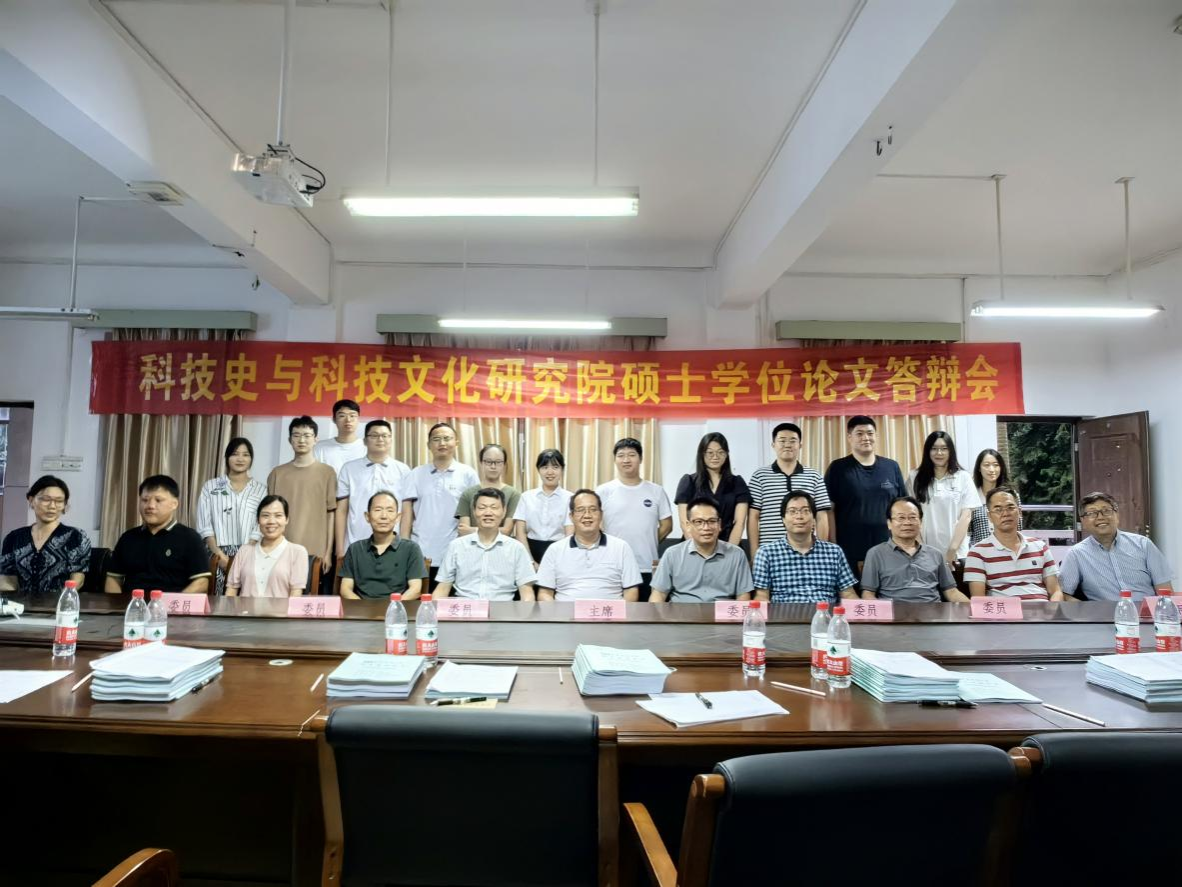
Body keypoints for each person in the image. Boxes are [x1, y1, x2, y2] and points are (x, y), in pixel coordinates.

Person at [824, 415, 906, 574]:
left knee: (889, 589)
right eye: (859, 434)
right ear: (849, 437)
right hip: (850, 550)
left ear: (876, 436)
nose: (866, 438)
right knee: (855, 590)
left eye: (870, 433)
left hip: (889, 547)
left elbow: (902, 507)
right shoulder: (838, 468)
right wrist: (833, 545)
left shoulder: (891, 466)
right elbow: (829, 510)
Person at [1057, 492, 1173, 601]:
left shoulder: (1143, 544)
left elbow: (1164, 588)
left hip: (1145, 612)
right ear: (1083, 521)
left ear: (1117, 515)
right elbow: (1064, 594)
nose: (1100, 517)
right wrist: (1088, 610)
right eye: (1092, 513)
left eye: (1106, 511)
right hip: (1104, 614)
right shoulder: (1076, 554)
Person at [106, 475, 211, 595]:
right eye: (145, 500)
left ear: (174, 504)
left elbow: (201, 582)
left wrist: (174, 602)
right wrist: (118, 604)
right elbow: (113, 579)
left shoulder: (190, 538)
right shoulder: (128, 538)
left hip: (172, 604)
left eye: (158, 500)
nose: (150, 506)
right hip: (133, 604)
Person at [596, 437, 672, 601]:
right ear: (615, 460)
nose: (626, 460)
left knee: (647, 613)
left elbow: (667, 525)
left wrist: (650, 539)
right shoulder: (603, 491)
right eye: (621, 455)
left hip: (646, 565)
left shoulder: (656, 491)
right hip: (613, 566)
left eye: (631, 455)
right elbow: (595, 525)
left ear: (641, 458)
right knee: (615, 613)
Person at [400, 422, 480, 577]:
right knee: (421, 592)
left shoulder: (467, 474)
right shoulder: (416, 474)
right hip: (420, 551)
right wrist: (404, 547)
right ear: (428, 445)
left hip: (457, 552)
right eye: (436, 439)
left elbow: (475, 513)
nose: (442, 443)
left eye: (447, 438)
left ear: (456, 443)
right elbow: (406, 514)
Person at [266, 416, 337, 589]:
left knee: (310, 600)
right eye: (296, 435)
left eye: (307, 435)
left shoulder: (327, 473)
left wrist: (328, 552)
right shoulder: (277, 473)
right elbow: (268, 517)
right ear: (289, 440)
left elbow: (331, 514)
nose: (302, 440)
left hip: (316, 552)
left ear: (315, 439)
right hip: (281, 549)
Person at [536, 490, 641, 601]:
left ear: (601, 515)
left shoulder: (621, 547)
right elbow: (544, 593)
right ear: (571, 516)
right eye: (580, 510)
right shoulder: (555, 550)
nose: (587, 515)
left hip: (609, 611)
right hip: (566, 611)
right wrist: (558, 611)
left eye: (593, 510)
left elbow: (631, 591)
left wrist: (619, 612)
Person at [752, 491, 857, 604]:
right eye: (792, 511)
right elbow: (761, 595)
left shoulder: (834, 552)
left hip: (825, 613)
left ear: (814, 518)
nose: (799, 516)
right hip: (783, 613)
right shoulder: (766, 553)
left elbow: (848, 593)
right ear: (783, 519)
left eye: (805, 511)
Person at [747, 423, 831, 561]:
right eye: (782, 441)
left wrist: (822, 551)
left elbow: (821, 516)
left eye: (793, 441)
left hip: (807, 551)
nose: (787, 445)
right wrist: (754, 553)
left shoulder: (814, 476)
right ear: (773, 444)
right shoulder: (759, 476)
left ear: (800, 445)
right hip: (769, 552)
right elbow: (753, 517)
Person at [434, 488, 536, 601]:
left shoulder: (516, 548)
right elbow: (442, 589)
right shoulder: (456, 546)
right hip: (466, 608)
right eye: (482, 508)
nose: (488, 513)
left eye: (494, 508)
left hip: (502, 608)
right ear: (474, 511)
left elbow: (527, 593)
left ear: (504, 511)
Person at [963, 487, 1064, 601]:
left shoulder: (1040, 547)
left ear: (1019, 512)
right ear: (989, 516)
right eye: (998, 509)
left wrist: (1052, 610)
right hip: (1004, 610)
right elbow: (979, 600)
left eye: (1010, 508)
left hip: (1042, 609)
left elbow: (1056, 591)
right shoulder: (977, 552)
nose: (1005, 513)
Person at [0, 475, 91, 600]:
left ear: (64, 505)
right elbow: (8, 579)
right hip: (21, 606)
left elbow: (78, 579)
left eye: (59, 501)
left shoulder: (75, 537)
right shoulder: (14, 538)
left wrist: (61, 602)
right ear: (31, 500)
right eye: (45, 499)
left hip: (59, 604)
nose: (52, 506)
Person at [196, 437, 267, 595]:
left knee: (247, 600)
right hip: (216, 552)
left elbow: (261, 525)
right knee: (217, 599)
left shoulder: (261, 489)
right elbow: (205, 525)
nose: (240, 459)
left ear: (251, 459)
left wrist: (245, 553)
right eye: (235, 454)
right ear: (227, 457)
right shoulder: (211, 487)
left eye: (245, 455)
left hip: (251, 551)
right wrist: (218, 554)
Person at [861, 497, 966, 603]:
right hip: (894, 611)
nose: (907, 522)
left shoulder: (935, 554)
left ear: (920, 522)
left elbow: (951, 591)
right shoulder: (875, 554)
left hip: (932, 611)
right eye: (901, 518)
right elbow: (868, 594)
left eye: (912, 517)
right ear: (889, 523)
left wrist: (973, 607)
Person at [651, 497, 753, 603]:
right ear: (688, 525)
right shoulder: (672, 554)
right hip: (681, 611)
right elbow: (659, 594)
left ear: (719, 524)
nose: (706, 527)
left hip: (721, 612)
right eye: (699, 522)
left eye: (712, 521)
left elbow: (743, 596)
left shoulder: (737, 554)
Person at [336, 419, 411, 553]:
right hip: (355, 543)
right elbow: (342, 511)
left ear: (391, 440)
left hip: (393, 546)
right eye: (374, 435)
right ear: (365, 441)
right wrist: (339, 549)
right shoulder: (349, 469)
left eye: (385, 435)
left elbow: (406, 511)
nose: (380, 439)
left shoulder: (403, 470)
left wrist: (404, 546)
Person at [907, 431, 980, 563]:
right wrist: (921, 547)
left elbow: (966, 516)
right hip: (924, 552)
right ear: (927, 451)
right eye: (934, 448)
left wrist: (952, 550)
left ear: (950, 451)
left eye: (944, 448)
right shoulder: (914, 477)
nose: (939, 453)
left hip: (957, 553)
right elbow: (910, 515)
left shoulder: (963, 477)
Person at [339, 491, 428, 600]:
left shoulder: (411, 549)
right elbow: (345, 589)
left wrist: (393, 607)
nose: (384, 516)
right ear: (367, 516)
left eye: (390, 510)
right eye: (378, 510)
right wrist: (363, 607)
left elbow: (415, 589)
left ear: (398, 517)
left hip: (397, 607)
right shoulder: (355, 549)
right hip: (362, 608)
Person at [674, 432, 751, 546]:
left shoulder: (737, 482)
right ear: (702, 454)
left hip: (729, 544)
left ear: (726, 454)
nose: (715, 457)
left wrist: (730, 551)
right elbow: (685, 523)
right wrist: (699, 550)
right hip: (694, 546)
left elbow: (739, 523)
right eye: (710, 452)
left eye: (721, 452)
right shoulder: (688, 481)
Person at [225, 496, 309, 597]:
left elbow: (296, 595)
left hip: (281, 608)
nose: (271, 521)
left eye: (278, 515)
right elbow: (231, 590)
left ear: (286, 519)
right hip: (244, 608)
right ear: (258, 520)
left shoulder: (298, 552)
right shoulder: (244, 551)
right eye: (265, 515)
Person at [512, 448, 574, 566]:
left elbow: (569, 535)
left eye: (555, 467)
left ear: (562, 470)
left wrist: (559, 562)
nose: (550, 472)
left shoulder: (570, 498)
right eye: (545, 467)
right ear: (538, 470)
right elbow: (520, 533)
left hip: (559, 553)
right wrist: (530, 562)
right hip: (529, 551)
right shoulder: (526, 497)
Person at [455, 444, 521, 536]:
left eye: (498, 462)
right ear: (481, 463)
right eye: (488, 462)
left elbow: (507, 530)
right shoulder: (468, 493)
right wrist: (496, 530)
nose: (493, 466)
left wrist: (472, 530)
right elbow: (463, 531)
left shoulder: (513, 494)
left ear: (504, 464)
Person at [969, 449, 1022, 546]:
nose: (991, 469)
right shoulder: (972, 496)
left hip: (1008, 549)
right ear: (979, 468)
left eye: (996, 465)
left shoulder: (1010, 495)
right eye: (986, 465)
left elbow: (1018, 527)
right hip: (981, 550)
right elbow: (968, 532)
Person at [313, 399, 366, 473]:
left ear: (358, 419)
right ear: (334, 419)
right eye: (342, 416)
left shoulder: (367, 448)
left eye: (352, 415)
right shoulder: (320, 448)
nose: (348, 420)